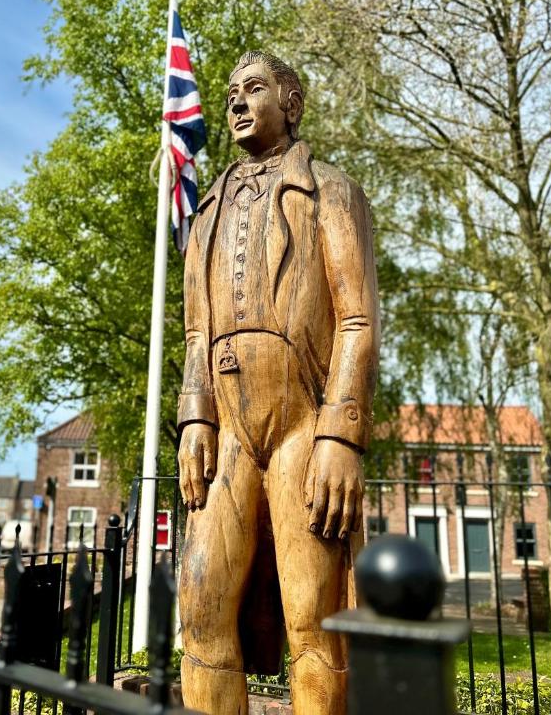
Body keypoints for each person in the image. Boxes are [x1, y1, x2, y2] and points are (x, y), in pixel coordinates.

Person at [176, 51, 380, 715]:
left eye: (253, 89)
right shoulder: (204, 213)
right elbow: (195, 334)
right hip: (230, 431)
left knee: (313, 618)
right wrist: (194, 419)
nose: (236, 102)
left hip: (303, 427)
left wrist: (341, 436)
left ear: (292, 103)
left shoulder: (331, 190)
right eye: (231, 92)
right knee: (202, 602)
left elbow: (356, 318)